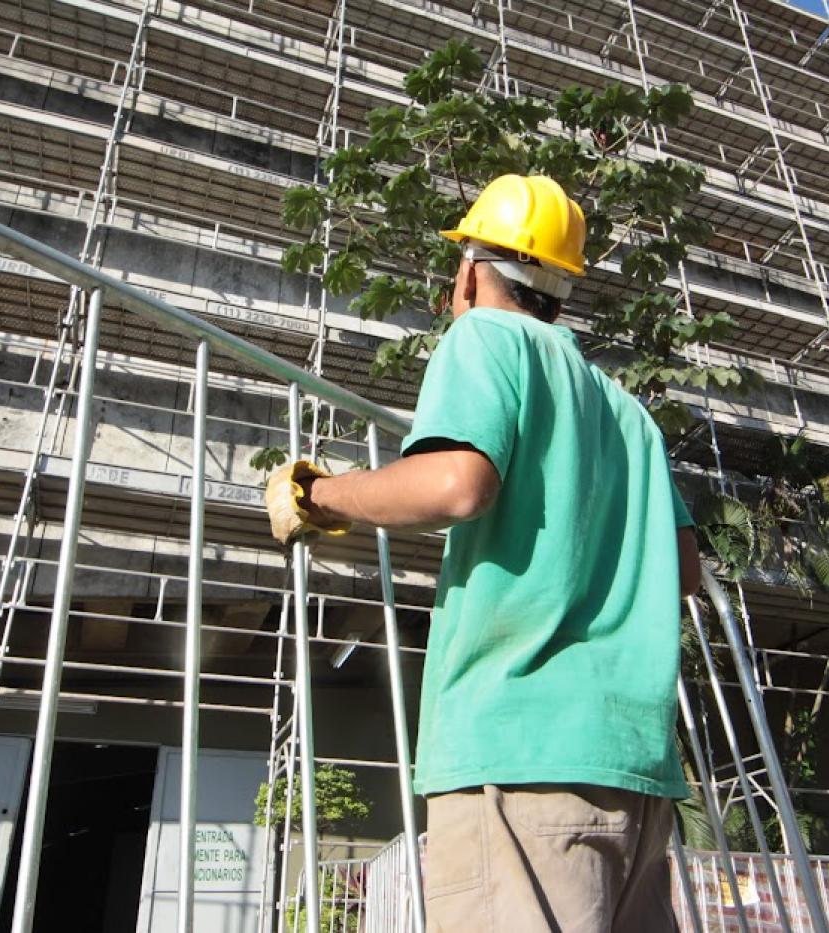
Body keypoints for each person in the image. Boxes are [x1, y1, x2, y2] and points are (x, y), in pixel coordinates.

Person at [265, 174, 701, 932]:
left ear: (468, 271)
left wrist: (318, 497)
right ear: (560, 289)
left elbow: (458, 483)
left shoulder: (484, 337)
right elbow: (685, 569)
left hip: (518, 750)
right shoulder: (631, 414)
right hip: (635, 767)